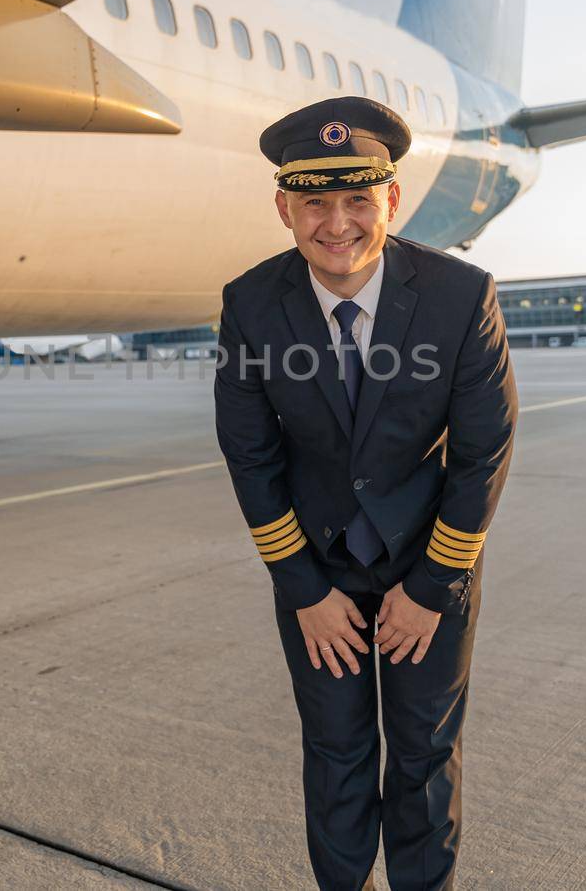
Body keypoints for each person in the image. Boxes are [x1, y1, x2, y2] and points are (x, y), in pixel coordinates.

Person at [214, 96, 518, 890]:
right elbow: (251, 456)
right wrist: (304, 589)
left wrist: (431, 586)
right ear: (285, 208)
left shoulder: (461, 297)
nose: (336, 222)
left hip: (428, 558)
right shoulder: (250, 305)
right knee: (337, 752)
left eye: (357, 199)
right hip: (318, 568)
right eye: (315, 201)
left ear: (391, 198)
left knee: (421, 754)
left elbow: (483, 453)